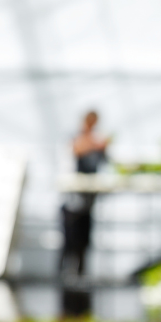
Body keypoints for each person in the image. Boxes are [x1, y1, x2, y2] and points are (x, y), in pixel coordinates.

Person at [59, 110, 108, 282]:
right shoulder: (78, 138)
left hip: (87, 202)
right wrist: (96, 145)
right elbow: (77, 149)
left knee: (84, 241)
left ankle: (80, 274)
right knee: (69, 241)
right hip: (72, 201)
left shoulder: (96, 141)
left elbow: (104, 161)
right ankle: (64, 274)